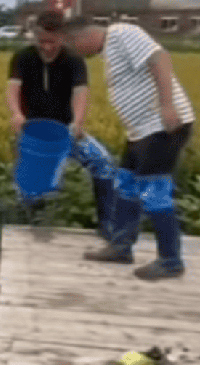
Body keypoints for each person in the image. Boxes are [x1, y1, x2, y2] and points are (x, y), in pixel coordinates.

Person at [60, 17, 195, 279]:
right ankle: (121, 247)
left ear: (82, 37)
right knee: (125, 185)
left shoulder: (122, 33)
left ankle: (170, 260)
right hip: (142, 131)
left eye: (73, 45)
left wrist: (167, 106)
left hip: (162, 126)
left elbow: (160, 59)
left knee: (155, 192)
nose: (75, 53)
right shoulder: (110, 49)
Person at [6, 10, 117, 236]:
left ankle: (108, 225)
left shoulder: (73, 60)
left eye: (52, 41)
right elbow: (13, 88)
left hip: (66, 130)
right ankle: (30, 227)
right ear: (34, 35)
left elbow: (81, 92)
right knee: (28, 185)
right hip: (34, 133)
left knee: (103, 163)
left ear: (63, 37)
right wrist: (16, 114)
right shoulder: (22, 57)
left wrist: (77, 121)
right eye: (42, 41)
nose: (47, 46)